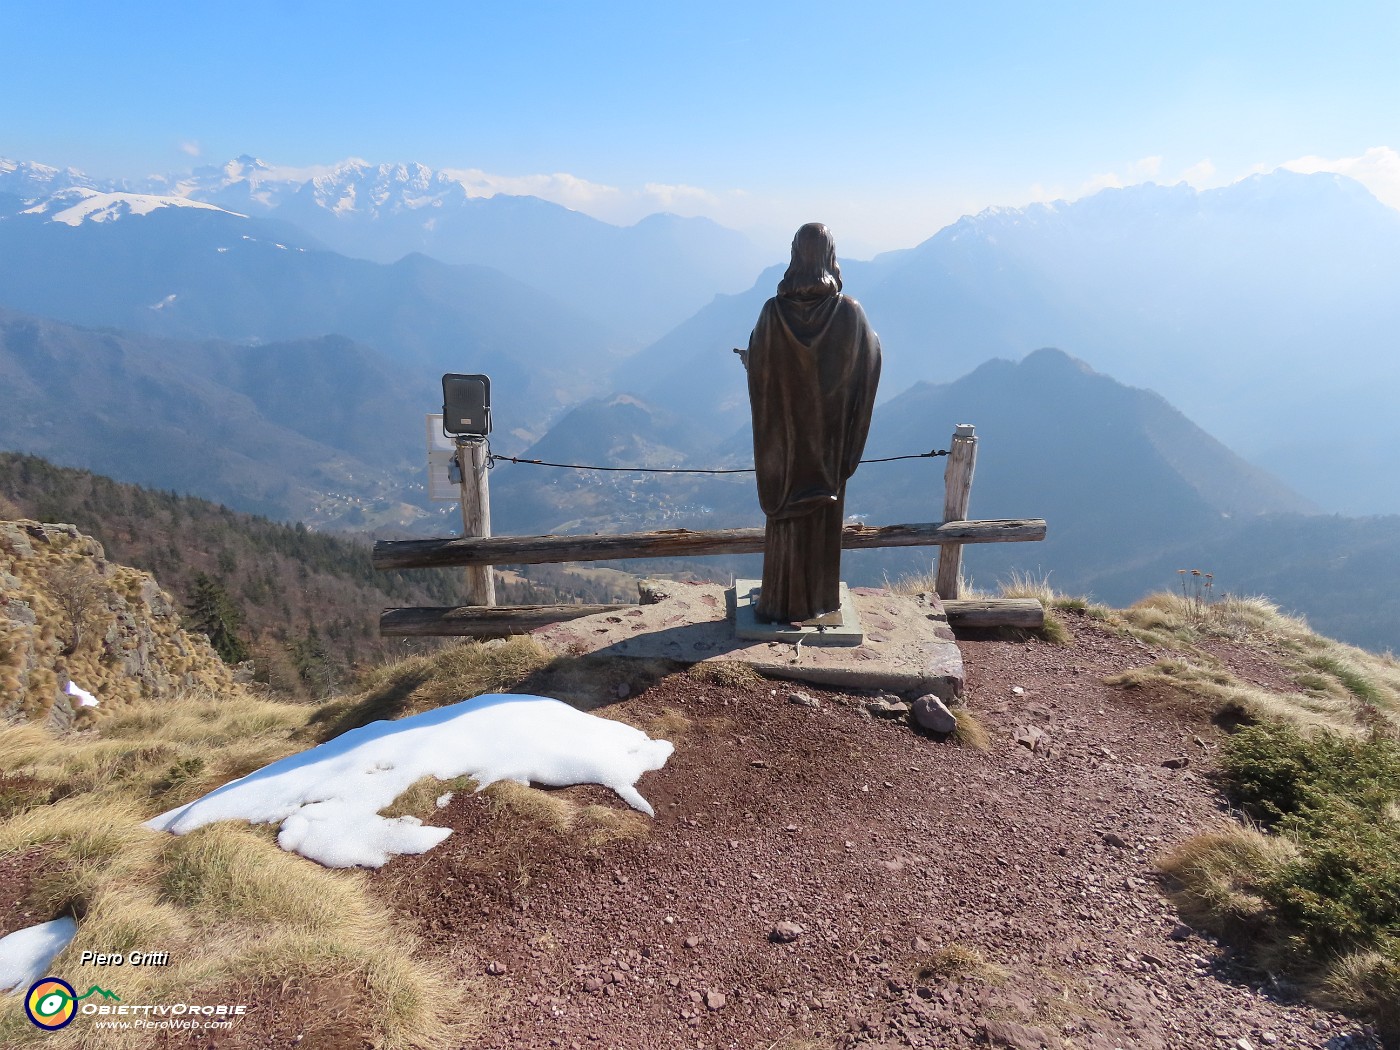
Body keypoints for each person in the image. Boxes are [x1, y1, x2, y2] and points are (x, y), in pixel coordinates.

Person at [743, 223, 881, 623]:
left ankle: (779, 600)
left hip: (784, 446)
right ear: (830, 257)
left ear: (794, 256)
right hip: (828, 445)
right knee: (821, 519)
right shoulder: (849, 313)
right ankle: (818, 600)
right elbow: (868, 366)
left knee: (785, 517)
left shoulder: (773, 312)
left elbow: (760, 369)